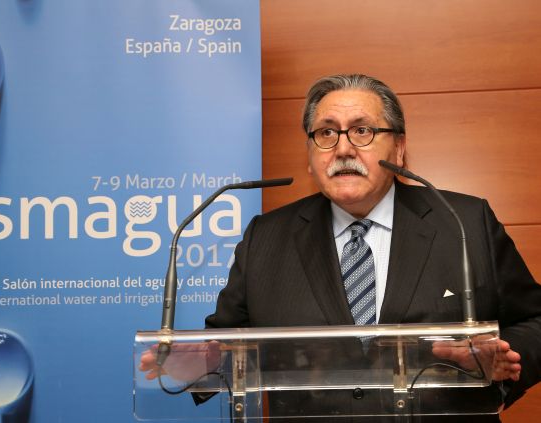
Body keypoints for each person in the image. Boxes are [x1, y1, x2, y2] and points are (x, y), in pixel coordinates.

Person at [143, 74, 541, 421]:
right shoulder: (266, 237)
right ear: (310, 155)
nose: (344, 149)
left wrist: (505, 359)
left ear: (399, 148)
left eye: (362, 130)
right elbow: (224, 348)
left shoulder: (463, 222)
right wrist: (195, 366)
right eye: (326, 133)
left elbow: (535, 322)